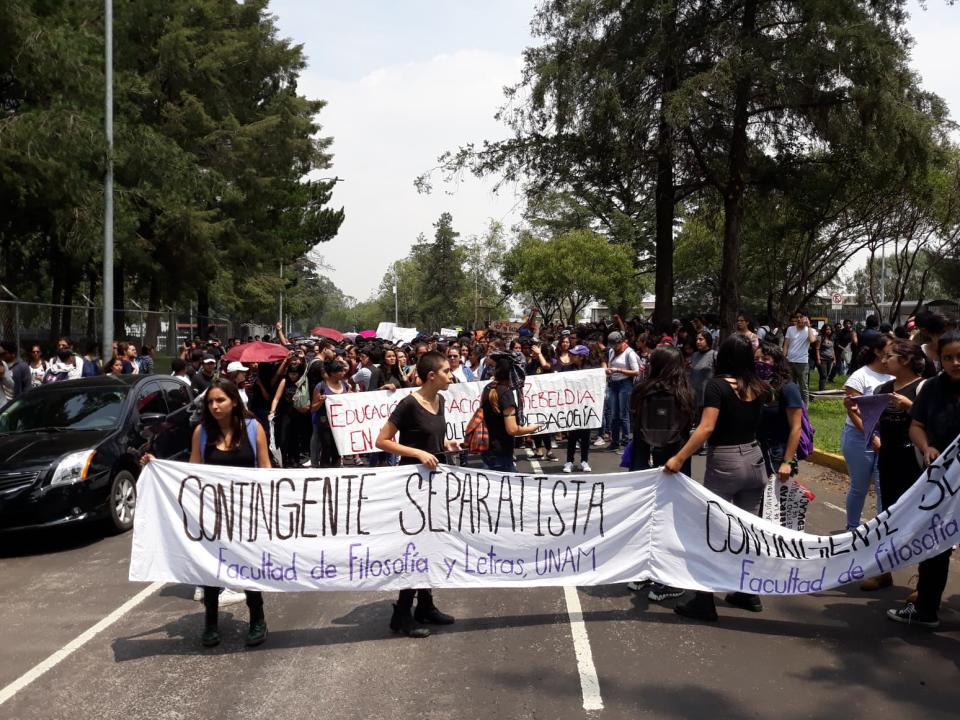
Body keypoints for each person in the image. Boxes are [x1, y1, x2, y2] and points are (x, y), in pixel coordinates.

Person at [143, 379, 271, 647]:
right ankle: (210, 622)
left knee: (248, 564)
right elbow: (192, 473)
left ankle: (257, 618)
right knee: (211, 566)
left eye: (220, 400)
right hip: (212, 513)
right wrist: (158, 466)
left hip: (246, 511)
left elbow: (266, 469)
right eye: (210, 402)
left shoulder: (252, 428)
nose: (214, 406)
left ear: (234, 401)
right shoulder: (201, 432)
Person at [663, 335, 771, 621]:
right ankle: (748, 591)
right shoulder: (758, 387)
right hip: (755, 458)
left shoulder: (717, 386)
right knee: (747, 530)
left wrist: (679, 457)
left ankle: (704, 599)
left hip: (726, 461)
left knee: (712, 530)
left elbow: (706, 427)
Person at [375, 351, 458, 638]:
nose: (452, 375)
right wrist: (418, 453)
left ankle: (425, 605)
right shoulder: (408, 404)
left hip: (436, 484)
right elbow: (382, 441)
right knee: (414, 548)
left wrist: (448, 443)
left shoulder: (441, 400)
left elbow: (433, 436)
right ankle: (401, 614)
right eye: (447, 371)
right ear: (432, 376)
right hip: (412, 486)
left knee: (431, 545)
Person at [887, 330, 960, 628]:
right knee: (936, 547)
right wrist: (925, 445)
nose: (956, 362)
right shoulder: (931, 388)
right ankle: (926, 609)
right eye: (948, 357)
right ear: (938, 359)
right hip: (940, 482)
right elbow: (916, 425)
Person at [629, 345, 694, 603]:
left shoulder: (641, 391)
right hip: (676, 464)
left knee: (648, 519)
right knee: (672, 521)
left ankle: (646, 570)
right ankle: (668, 577)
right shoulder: (686, 394)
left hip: (645, 462)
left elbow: (635, 425)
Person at [858, 339, 925, 591]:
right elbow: (873, 422)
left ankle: (924, 581)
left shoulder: (924, 388)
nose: (883, 360)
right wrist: (873, 436)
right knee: (888, 515)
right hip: (888, 458)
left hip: (916, 461)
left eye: (889, 356)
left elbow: (933, 422)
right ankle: (883, 570)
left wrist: (909, 407)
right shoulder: (882, 389)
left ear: (906, 360)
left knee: (920, 518)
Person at [841, 334, 893, 531]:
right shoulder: (859, 377)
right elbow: (854, 413)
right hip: (859, 437)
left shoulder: (895, 375)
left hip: (887, 438)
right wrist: (872, 437)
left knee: (884, 488)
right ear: (878, 352)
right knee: (859, 487)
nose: (894, 353)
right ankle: (852, 530)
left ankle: (881, 533)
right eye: (890, 349)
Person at [480, 353, 543, 471]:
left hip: (487, 450)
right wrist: (532, 428)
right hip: (501, 453)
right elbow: (512, 429)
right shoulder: (506, 394)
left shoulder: (488, 388)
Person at [754, 342, 803, 483]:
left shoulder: (788, 388)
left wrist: (787, 462)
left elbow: (796, 427)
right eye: (756, 359)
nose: (760, 363)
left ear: (776, 362)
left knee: (773, 502)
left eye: (765, 359)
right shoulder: (756, 387)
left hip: (777, 452)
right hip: (756, 450)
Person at [604, 331, 641, 451]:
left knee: (623, 414)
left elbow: (636, 371)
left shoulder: (629, 352)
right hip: (613, 384)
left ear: (621, 342)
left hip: (625, 384)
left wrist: (618, 370)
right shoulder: (611, 351)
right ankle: (615, 441)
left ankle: (625, 441)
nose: (613, 347)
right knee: (614, 414)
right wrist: (609, 371)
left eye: (615, 344)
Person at [310, 359, 350, 468]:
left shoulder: (345, 385)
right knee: (326, 447)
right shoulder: (321, 387)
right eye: (340, 371)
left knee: (338, 448)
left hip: (340, 423)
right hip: (325, 423)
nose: (343, 373)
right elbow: (313, 408)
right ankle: (325, 469)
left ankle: (336, 469)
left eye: (343, 371)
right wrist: (320, 402)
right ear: (332, 373)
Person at [561, 344, 593, 473]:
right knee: (572, 436)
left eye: (574, 354)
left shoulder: (591, 370)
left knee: (586, 436)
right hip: (572, 407)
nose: (571, 356)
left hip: (586, 407)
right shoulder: (566, 369)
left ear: (582, 357)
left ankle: (584, 461)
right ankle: (569, 461)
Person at [783, 310, 817, 404]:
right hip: (790, 360)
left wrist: (809, 326)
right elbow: (786, 344)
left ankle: (805, 408)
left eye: (801, 317)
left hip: (802, 362)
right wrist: (783, 357)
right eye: (797, 317)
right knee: (790, 384)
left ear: (806, 318)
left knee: (803, 386)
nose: (798, 319)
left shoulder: (811, 330)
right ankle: (791, 404)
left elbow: (812, 340)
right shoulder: (790, 329)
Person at [688, 330, 716, 422]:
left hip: (707, 396)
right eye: (697, 339)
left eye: (701, 339)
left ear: (707, 340)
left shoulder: (714, 355)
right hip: (694, 396)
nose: (698, 341)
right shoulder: (694, 355)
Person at [815, 324, 835, 391]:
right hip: (822, 359)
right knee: (823, 375)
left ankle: (823, 388)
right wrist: (818, 359)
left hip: (830, 359)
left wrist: (834, 359)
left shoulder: (831, 338)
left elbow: (832, 349)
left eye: (829, 329)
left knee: (826, 375)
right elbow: (817, 349)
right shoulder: (820, 337)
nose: (828, 331)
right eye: (827, 329)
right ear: (824, 330)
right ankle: (821, 390)